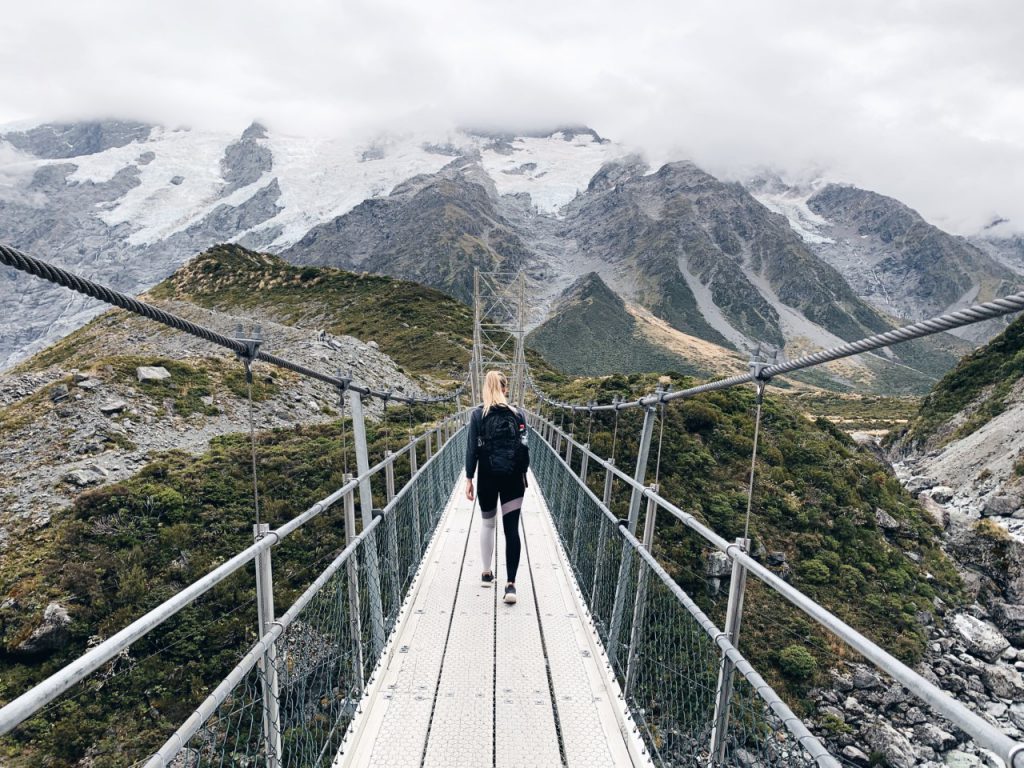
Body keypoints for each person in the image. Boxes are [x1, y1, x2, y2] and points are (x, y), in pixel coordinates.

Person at [465, 370, 530, 605]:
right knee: (511, 528)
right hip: (513, 478)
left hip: (488, 477)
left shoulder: (477, 415)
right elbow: (525, 447)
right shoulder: (519, 414)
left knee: (488, 523)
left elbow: (472, 449)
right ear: (505, 389)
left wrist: (469, 478)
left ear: (486, 388)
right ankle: (511, 585)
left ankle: (485, 572)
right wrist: (522, 472)